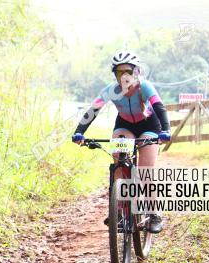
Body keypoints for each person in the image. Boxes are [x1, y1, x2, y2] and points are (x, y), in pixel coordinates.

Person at [72, 51, 171, 233]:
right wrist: (79, 132)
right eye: (119, 73)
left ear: (136, 72)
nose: (124, 76)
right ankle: (120, 210)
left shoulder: (145, 87)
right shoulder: (112, 90)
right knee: (118, 162)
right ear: (115, 75)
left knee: (145, 171)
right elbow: (93, 111)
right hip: (125, 125)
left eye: (128, 71)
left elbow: (159, 107)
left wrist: (166, 130)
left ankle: (154, 213)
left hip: (149, 125)